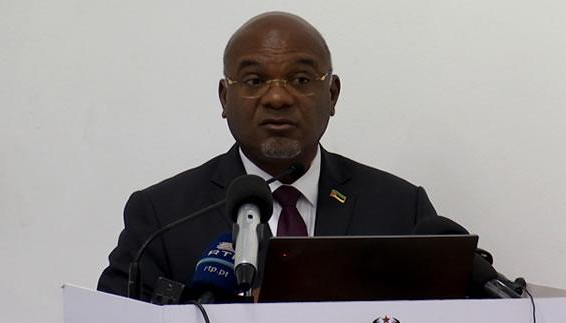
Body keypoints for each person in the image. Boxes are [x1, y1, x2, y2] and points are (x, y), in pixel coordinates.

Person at [97, 12, 437, 297]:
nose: (277, 98)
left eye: (300, 79)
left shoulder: (400, 209)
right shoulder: (163, 217)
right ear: (224, 98)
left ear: (332, 94)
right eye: (254, 80)